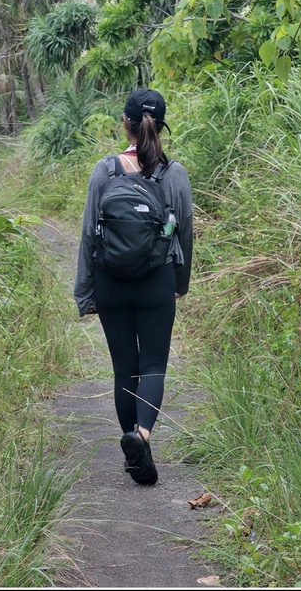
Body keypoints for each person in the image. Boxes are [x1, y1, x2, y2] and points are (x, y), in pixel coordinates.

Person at [74, 88, 194, 486]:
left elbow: (89, 234)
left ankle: (135, 450)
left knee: (124, 368)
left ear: (124, 124)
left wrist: (85, 292)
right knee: (153, 365)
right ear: (160, 126)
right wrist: (180, 283)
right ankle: (141, 436)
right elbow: (185, 233)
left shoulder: (104, 170)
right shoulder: (174, 174)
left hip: (110, 281)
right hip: (156, 279)